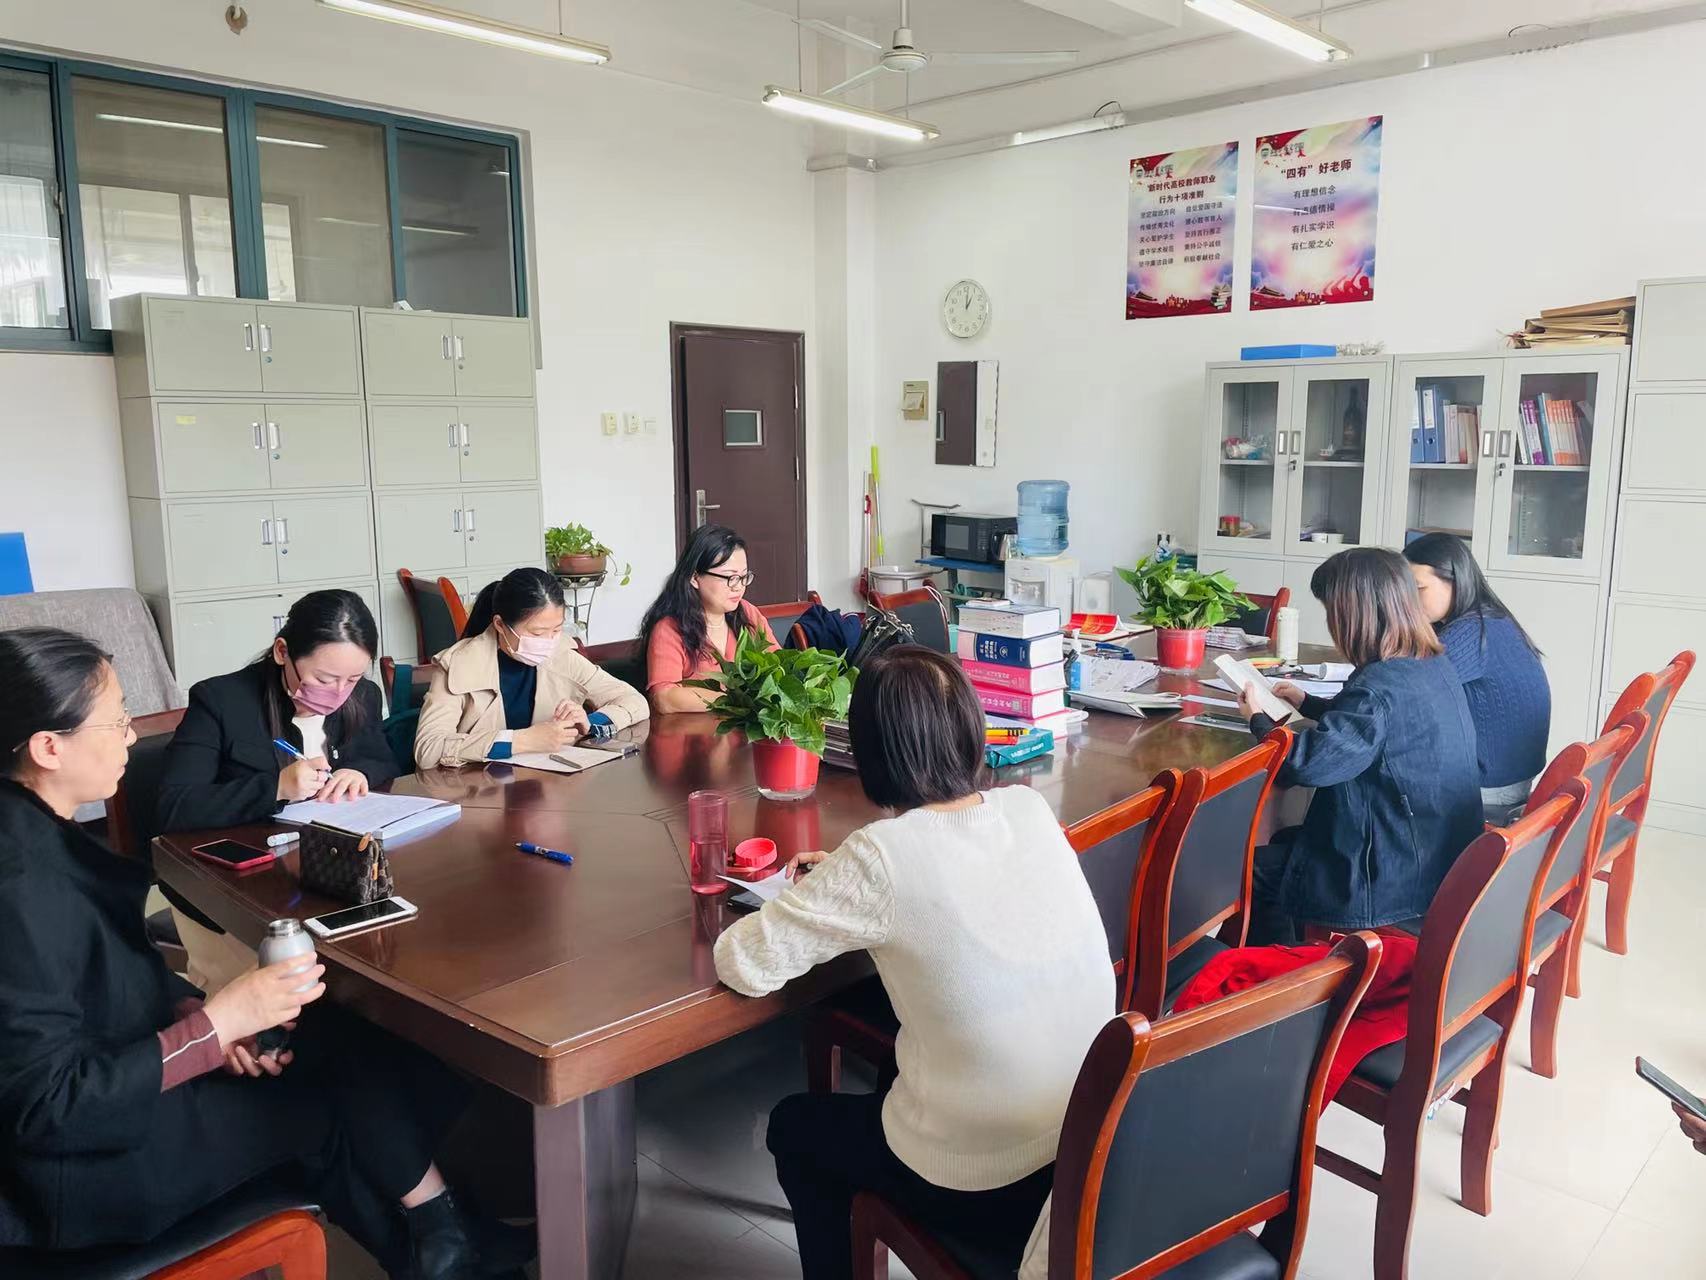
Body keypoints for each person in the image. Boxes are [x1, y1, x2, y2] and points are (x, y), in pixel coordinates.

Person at [0, 627, 530, 1279]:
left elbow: (111, 982)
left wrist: (203, 1021)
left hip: (115, 1095)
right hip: (86, 1177)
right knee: (335, 1096)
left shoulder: (34, 832)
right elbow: (49, 1109)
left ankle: (448, 1237)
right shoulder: (19, 886)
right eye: (116, 722)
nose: (133, 737)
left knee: (339, 1034)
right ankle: (450, 1244)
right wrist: (216, 1024)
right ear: (49, 747)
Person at [714, 646, 1112, 1280]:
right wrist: (848, 879)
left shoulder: (882, 857)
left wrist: (834, 885)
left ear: (869, 752)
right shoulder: (1027, 808)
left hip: (986, 1177)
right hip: (1085, 1142)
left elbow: (744, 963)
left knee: (795, 1128)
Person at [1236, 548, 1483, 944]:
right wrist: (1308, 702)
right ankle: (1289, 958)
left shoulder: (1377, 687)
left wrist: (1258, 720)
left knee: (1246, 867)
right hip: (1430, 855)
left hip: (1389, 877)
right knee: (1283, 846)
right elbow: (1372, 728)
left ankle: (1277, 971)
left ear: (1354, 615)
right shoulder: (1427, 663)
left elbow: (1306, 765)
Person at [158, 589, 399, 990]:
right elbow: (174, 805)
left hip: (331, 877)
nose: (340, 693)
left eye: (353, 679)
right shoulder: (221, 701)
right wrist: (276, 787)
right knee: (291, 992)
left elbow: (383, 759)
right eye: (324, 679)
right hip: (234, 888)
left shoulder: (363, 696)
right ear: (283, 651)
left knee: (365, 977)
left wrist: (358, 771)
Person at [414, 567, 647, 769]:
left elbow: (633, 701)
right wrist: (522, 741)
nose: (549, 641)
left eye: (556, 630)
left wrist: (590, 723)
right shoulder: (457, 664)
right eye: (537, 633)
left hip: (549, 789)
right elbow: (428, 749)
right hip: (480, 792)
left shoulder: (562, 655)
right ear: (500, 625)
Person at [1403, 532, 1551, 816]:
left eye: (1418, 589)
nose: (1408, 601)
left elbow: (1401, 691)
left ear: (1454, 581)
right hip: (1511, 777)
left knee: (1367, 774)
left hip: (1490, 786)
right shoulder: (1491, 618)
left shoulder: (1470, 632)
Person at [639, 524, 778, 713]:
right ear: (694, 578)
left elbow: (777, 666)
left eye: (744, 577)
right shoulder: (669, 628)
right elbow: (664, 698)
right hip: (696, 730)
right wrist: (738, 701)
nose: (738, 587)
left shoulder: (748, 613)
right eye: (730, 578)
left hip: (743, 727)